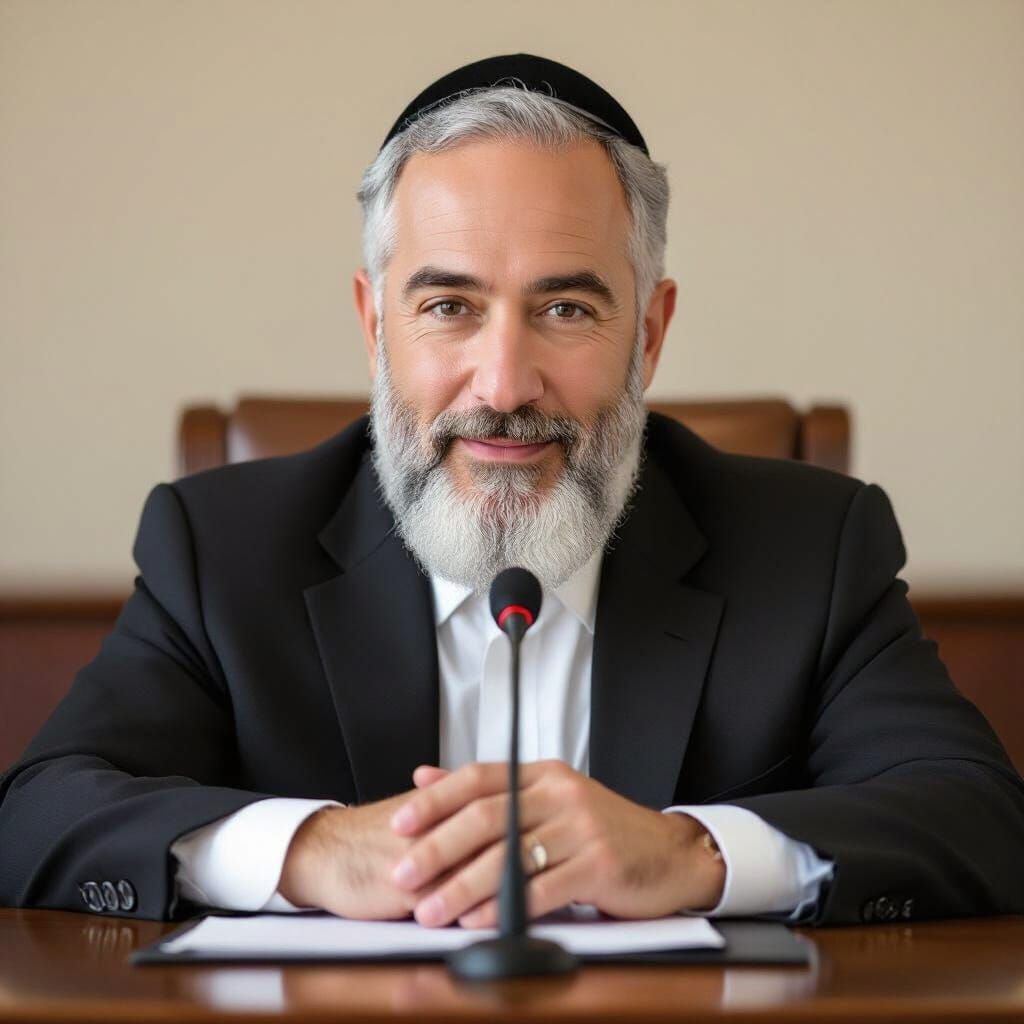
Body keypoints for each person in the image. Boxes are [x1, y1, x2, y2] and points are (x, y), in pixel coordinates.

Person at [1, 54, 1022, 928]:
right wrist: (314, 850)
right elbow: (39, 811)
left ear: (650, 332)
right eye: (448, 304)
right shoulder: (221, 547)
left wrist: (688, 854)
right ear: (373, 325)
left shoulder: (811, 545)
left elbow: (978, 817)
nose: (502, 385)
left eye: (566, 308)